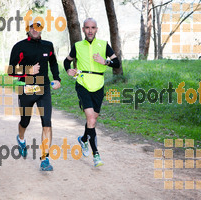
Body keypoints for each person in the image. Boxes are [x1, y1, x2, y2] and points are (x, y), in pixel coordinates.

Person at [64, 18, 120, 167]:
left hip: (98, 85)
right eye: (87, 27)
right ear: (83, 29)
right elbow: (66, 61)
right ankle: (96, 155)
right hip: (82, 83)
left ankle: (83, 140)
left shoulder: (104, 44)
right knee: (91, 118)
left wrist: (105, 62)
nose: (90, 30)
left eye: (93, 27)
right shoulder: (77, 46)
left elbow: (117, 63)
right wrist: (68, 70)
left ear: (96, 29)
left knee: (92, 120)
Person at [8, 20, 61, 171]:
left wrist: (57, 78)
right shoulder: (19, 46)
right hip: (26, 88)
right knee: (25, 121)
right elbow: (11, 70)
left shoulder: (48, 45)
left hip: (44, 89)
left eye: (38, 27)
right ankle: (21, 138)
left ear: (41, 29)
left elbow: (53, 63)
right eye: (32, 27)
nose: (35, 30)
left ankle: (45, 159)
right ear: (28, 29)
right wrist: (28, 71)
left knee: (47, 123)